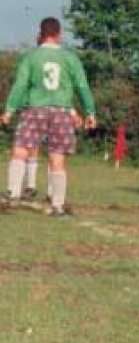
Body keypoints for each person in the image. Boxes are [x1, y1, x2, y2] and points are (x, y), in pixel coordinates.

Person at [1, 17, 96, 217]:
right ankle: (57, 205)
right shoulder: (70, 58)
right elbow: (82, 86)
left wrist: (9, 110)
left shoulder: (31, 57)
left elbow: (20, 86)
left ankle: (12, 193)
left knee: (20, 150)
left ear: (41, 33)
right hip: (61, 112)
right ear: (59, 34)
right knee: (57, 158)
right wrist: (90, 112)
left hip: (35, 109)